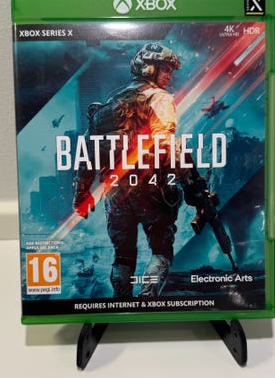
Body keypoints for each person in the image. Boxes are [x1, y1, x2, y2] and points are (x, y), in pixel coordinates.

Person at [73, 42, 196, 298]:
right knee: (162, 251)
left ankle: (122, 302)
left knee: (123, 256)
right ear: (149, 68)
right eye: (165, 69)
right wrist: (189, 183)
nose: (169, 76)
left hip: (114, 193)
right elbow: (166, 145)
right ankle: (147, 300)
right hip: (151, 188)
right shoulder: (160, 98)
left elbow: (87, 152)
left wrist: (81, 193)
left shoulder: (107, 106)